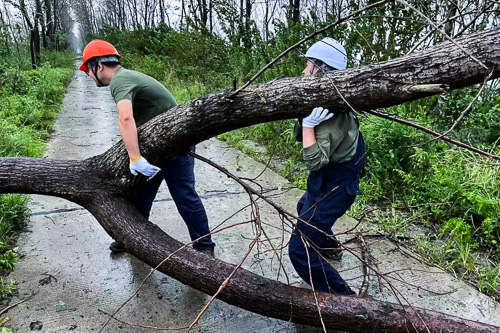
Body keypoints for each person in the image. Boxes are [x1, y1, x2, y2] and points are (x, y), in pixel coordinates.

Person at [79, 39, 215, 256]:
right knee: (141, 195)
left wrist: (135, 158)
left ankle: (205, 247)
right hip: (159, 146)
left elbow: (125, 118)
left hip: (176, 146)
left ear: (99, 65)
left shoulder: (120, 81)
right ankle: (130, 238)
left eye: (87, 69)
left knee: (184, 196)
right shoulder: (127, 77)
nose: (87, 75)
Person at [288, 37, 365, 295]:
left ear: (321, 68)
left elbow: (315, 161)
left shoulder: (332, 113)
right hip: (327, 182)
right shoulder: (326, 101)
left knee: (299, 249)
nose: (303, 70)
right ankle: (331, 247)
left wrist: (309, 125)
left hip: (337, 187)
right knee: (303, 206)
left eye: (308, 64)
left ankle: (345, 300)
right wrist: (304, 120)